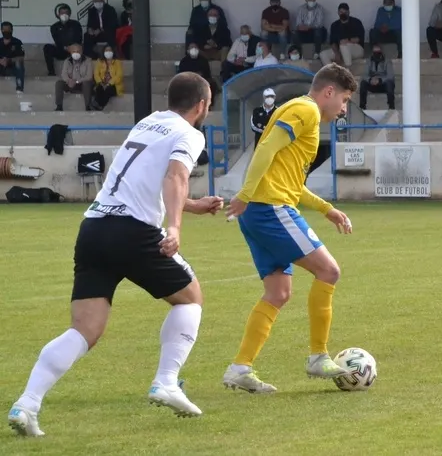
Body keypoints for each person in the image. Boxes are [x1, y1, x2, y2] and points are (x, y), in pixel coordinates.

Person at [8, 73, 223, 436]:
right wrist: (174, 227)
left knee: (84, 329)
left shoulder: (147, 123)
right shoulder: (190, 133)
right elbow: (174, 177)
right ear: (202, 105)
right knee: (190, 298)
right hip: (133, 232)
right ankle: (166, 381)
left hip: (94, 228)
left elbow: (140, 181)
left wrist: (192, 206)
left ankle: (27, 404)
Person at [223, 64, 359, 394]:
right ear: (329, 92)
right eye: (344, 100)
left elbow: (292, 183)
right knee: (329, 271)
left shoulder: (301, 113)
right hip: (270, 208)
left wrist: (326, 209)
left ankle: (240, 368)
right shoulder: (306, 110)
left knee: (278, 292)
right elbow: (265, 148)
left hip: (261, 210)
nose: (343, 109)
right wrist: (245, 193)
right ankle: (318, 356)